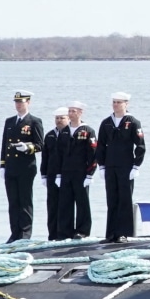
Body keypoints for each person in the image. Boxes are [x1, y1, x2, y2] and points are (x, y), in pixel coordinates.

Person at [97, 93, 145, 244]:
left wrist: (136, 166)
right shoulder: (106, 123)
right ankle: (110, 233)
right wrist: (102, 166)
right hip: (110, 166)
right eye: (114, 102)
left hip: (126, 166)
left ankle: (123, 233)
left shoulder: (133, 122)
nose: (116, 105)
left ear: (126, 104)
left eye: (119, 102)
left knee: (125, 199)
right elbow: (100, 146)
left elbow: (140, 145)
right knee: (112, 199)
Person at [0, 91, 42, 243]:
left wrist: (27, 147)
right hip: (11, 166)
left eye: (21, 102)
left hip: (26, 167)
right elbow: (4, 144)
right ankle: (14, 233)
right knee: (13, 202)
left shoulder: (34, 121)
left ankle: (25, 233)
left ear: (28, 102)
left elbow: (40, 145)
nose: (18, 105)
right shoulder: (10, 121)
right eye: (16, 102)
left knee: (25, 201)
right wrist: (2, 165)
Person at [62, 102, 99, 240]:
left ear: (80, 112)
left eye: (74, 111)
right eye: (70, 111)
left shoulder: (88, 130)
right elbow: (59, 154)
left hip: (81, 173)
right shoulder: (65, 131)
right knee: (66, 202)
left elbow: (94, 154)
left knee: (82, 202)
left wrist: (90, 174)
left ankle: (82, 230)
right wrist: (59, 174)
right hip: (66, 172)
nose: (71, 114)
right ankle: (66, 230)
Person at [40, 109, 70, 241]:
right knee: (52, 205)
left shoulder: (70, 133)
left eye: (62, 118)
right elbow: (45, 156)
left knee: (65, 205)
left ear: (68, 119)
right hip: (52, 175)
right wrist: (44, 174)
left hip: (66, 174)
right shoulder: (50, 135)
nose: (59, 120)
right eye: (57, 118)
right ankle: (52, 234)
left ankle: (65, 233)